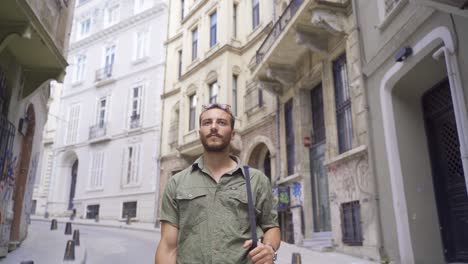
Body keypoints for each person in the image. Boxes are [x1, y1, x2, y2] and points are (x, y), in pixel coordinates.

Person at [155, 103, 281, 264]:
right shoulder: (177, 183)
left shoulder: (256, 180)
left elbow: (271, 227)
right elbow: (167, 246)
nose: (214, 127)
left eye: (221, 122)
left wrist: (269, 248)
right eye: (207, 123)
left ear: (233, 133)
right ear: (200, 132)